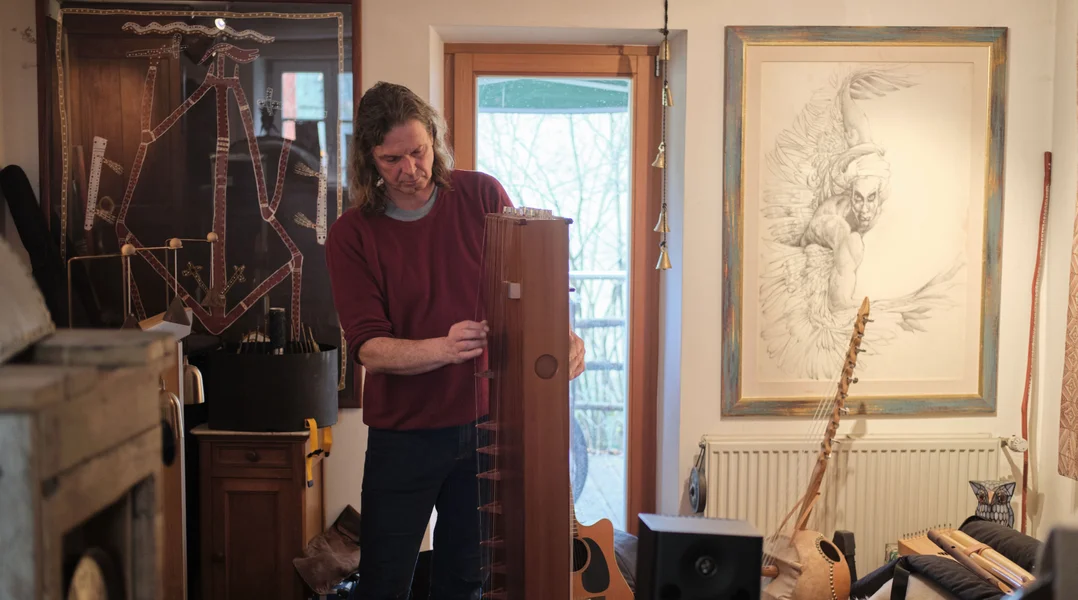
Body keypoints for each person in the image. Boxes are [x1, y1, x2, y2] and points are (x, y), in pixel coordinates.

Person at [325, 81, 586, 599]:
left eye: (418, 151)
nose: (410, 169)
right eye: (391, 159)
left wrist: (562, 333)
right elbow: (369, 348)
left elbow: (529, 278)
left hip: (483, 425)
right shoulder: (352, 233)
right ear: (369, 159)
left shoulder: (482, 195)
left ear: (435, 140)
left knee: (467, 581)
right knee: (383, 581)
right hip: (403, 437)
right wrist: (443, 349)